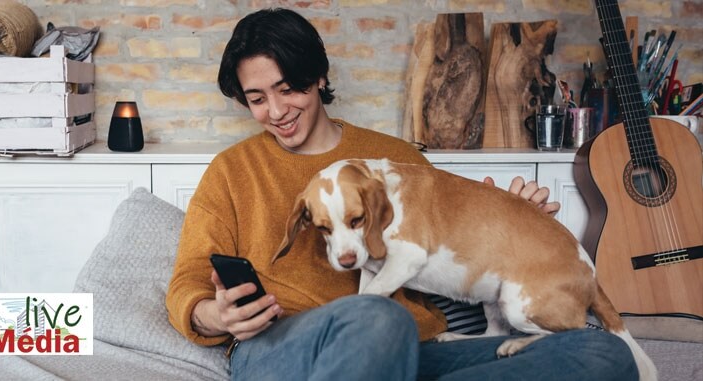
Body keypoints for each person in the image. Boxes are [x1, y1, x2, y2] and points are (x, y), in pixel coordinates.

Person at [165, 8, 637, 380]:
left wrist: (510, 229)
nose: (276, 111)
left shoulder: (393, 160)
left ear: (320, 77)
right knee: (375, 316)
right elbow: (188, 276)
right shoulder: (232, 171)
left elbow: (447, 246)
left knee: (601, 352)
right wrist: (214, 315)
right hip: (284, 348)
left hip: (411, 351)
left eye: (287, 90)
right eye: (257, 99)